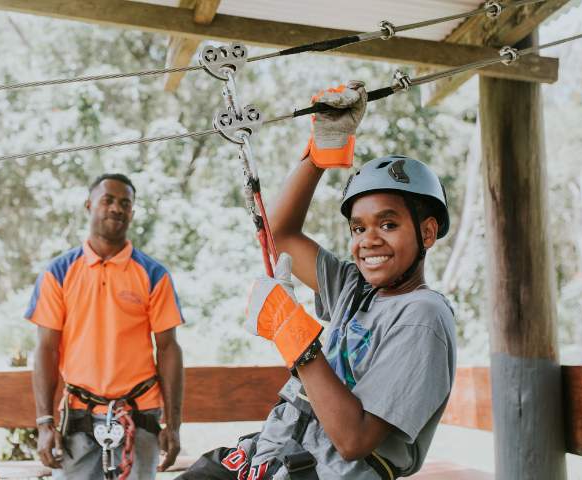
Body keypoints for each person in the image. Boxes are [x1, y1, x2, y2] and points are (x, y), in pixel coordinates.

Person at [179, 82, 457, 479]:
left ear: (427, 233)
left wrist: (297, 340)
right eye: (358, 229)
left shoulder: (423, 316)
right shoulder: (355, 288)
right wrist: (319, 154)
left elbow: (354, 440)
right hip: (275, 455)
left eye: (389, 224)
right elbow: (276, 233)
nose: (368, 240)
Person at [26, 173, 184, 480]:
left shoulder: (153, 274)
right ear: (89, 206)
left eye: (125, 203)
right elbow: (46, 349)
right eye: (107, 200)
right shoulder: (58, 273)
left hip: (139, 416)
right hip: (78, 415)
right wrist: (45, 424)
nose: (116, 208)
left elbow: (168, 349)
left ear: (132, 213)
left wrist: (173, 426)